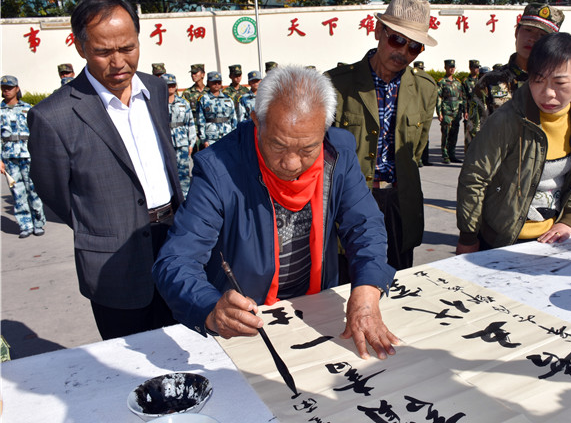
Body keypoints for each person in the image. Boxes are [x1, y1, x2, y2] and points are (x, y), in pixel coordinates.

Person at [153, 66, 398, 360]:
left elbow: (365, 225)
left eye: (307, 149)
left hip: (317, 306)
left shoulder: (337, 153)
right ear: (257, 121)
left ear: (324, 131)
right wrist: (209, 306)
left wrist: (368, 288)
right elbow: (177, 259)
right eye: (278, 146)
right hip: (250, 319)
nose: (291, 163)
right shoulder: (219, 168)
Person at [27, 0, 183, 340]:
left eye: (128, 48)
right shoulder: (54, 116)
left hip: (175, 241)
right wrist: (102, 225)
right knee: (130, 359)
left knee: (188, 345)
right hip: (114, 263)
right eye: (103, 51)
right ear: (80, 47)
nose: (118, 62)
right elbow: (56, 194)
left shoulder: (155, 88)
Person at [456, 33, 571, 253]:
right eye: (538, 80)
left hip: (556, 238)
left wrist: (568, 220)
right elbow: (474, 177)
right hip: (502, 240)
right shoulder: (507, 120)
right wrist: (468, 236)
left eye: (560, 83)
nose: (548, 93)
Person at [326, 0, 438, 274]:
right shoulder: (337, 86)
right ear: (378, 31)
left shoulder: (425, 89)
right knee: (348, 280)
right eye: (397, 39)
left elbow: (416, 150)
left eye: (414, 47)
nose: (403, 52)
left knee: (399, 280)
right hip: (351, 201)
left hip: (400, 202)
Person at [470, 3, 565, 134]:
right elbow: (475, 136)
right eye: (528, 30)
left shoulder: (560, 85)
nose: (532, 39)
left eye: (542, 35)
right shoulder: (489, 82)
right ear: (516, 32)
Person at [1, 75, 46, 238]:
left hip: (29, 155)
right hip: (9, 157)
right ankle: (25, 225)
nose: (6, 91)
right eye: (4, 88)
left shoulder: (28, 109)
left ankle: (38, 223)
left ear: (17, 89)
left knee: (33, 190)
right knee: (17, 192)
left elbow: (38, 133)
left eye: (10, 88)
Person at [163, 73, 196, 196]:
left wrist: (191, 143)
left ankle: (185, 197)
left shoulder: (183, 103)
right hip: (166, 142)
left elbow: (190, 122)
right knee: (167, 172)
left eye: (173, 85)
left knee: (183, 172)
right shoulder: (158, 104)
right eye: (168, 85)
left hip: (182, 142)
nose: (171, 87)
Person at [197, 71, 237, 148]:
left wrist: (234, 136)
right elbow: (200, 121)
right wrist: (204, 139)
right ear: (208, 82)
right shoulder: (203, 99)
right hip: (211, 137)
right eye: (214, 82)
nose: (217, 84)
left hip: (227, 134)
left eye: (219, 82)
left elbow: (233, 119)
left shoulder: (228, 99)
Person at [436, 59, 465, 164]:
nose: (452, 69)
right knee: (446, 133)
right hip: (446, 110)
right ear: (445, 68)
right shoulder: (442, 82)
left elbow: (461, 97)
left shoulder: (458, 82)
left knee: (454, 133)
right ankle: (445, 155)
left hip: (456, 111)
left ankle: (452, 154)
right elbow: (439, 98)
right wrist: (439, 112)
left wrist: (462, 110)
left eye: (453, 67)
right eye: (450, 67)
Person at [182, 64, 208, 150]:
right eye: (192, 73)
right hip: (194, 131)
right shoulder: (187, 93)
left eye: (195, 73)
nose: (193, 75)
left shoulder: (209, 92)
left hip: (207, 131)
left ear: (203, 74)